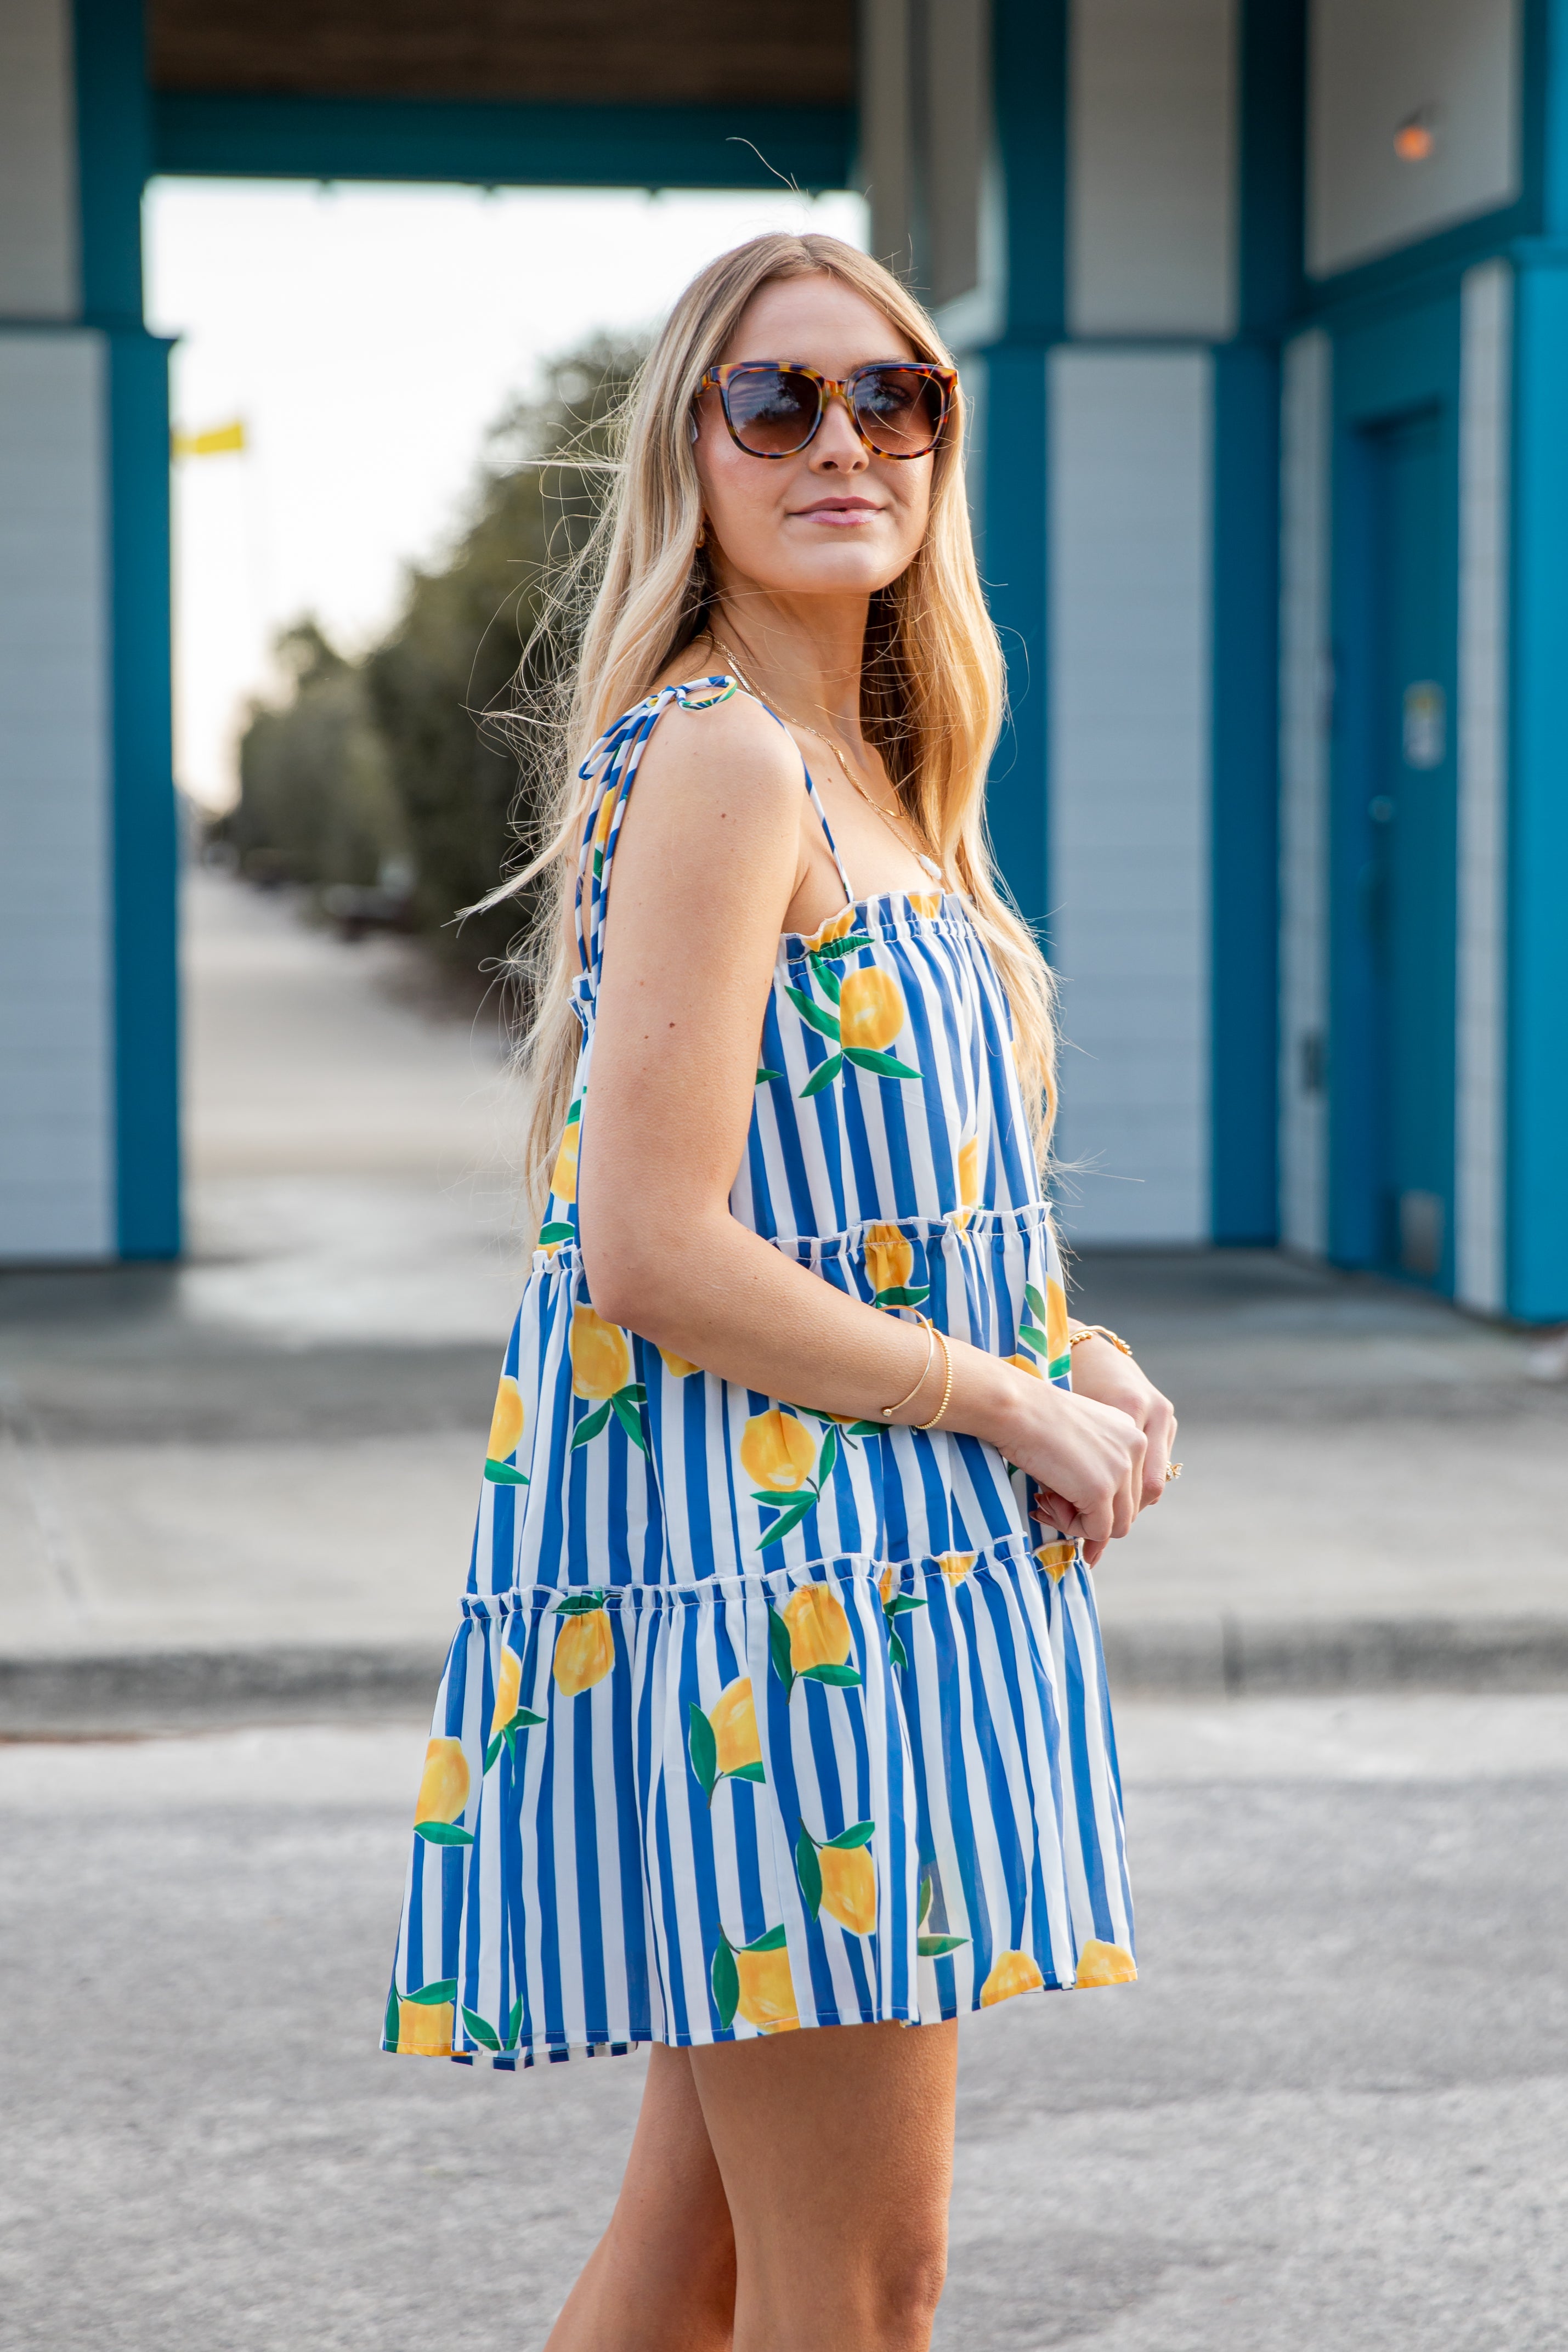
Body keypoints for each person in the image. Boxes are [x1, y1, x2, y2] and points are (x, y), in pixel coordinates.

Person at [383, 232, 1178, 2352]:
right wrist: (1002, 1406)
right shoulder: (725, 760)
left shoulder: (889, 782)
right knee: (864, 2288)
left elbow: (876, 1197)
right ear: (696, 454)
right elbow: (646, 1253)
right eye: (778, 401)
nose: (846, 439)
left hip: (874, 1587)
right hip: (783, 1612)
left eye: (892, 397)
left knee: (706, 2258)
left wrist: (1066, 1344)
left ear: (939, 443)